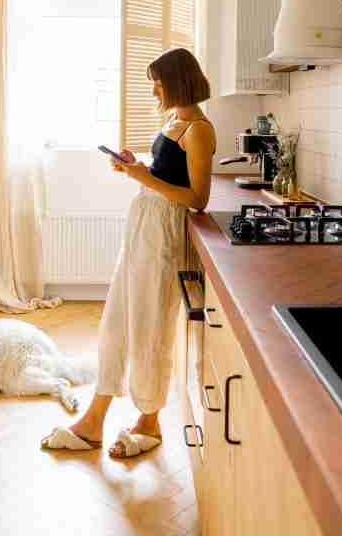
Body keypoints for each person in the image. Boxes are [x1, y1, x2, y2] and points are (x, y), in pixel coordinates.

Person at [41, 47, 216, 458]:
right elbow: (164, 173)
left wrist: (143, 176)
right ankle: (95, 419)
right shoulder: (174, 121)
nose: (154, 88)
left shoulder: (200, 129)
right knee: (119, 320)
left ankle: (148, 421)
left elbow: (197, 198)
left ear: (178, 81)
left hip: (164, 234)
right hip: (144, 227)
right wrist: (135, 166)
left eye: (158, 80)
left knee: (150, 326)